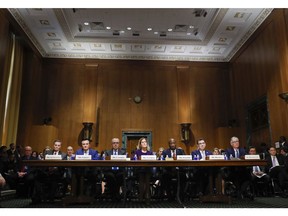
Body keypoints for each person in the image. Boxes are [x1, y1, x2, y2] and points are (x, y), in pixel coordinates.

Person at [133, 137, 153, 204]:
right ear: (140, 144)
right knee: (142, 175)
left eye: (145, 142)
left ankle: (146, 196)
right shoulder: (137, 152)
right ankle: (142, 195)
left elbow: (153, 161)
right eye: (142, 142)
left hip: (148, 170)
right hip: (139, 170)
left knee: (147, 177)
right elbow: (133, 160)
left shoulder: (150, 152)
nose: (144, 143)